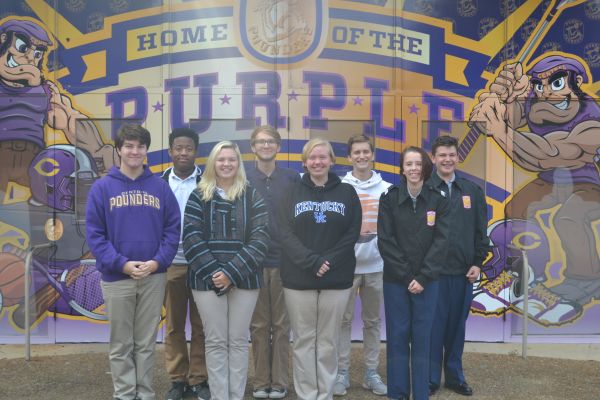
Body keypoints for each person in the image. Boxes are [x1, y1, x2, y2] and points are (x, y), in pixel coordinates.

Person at [86, 123, 180, 400]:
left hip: (153, 276)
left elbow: (172, 230)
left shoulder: (160, 188)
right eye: (128, 145)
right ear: (119, 149)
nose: (134, 151)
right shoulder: (102, 188)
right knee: (120, 344)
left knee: (145, 342)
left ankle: (145, 392)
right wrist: (122, 264)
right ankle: (126, 394)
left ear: (146, 151)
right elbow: (95, 235)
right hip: (117, 278)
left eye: (140, 146)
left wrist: (157, 262)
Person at [183, 140, 269, 400]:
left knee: (239, 341)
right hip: (206, 280)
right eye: (221, 159)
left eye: (232, 159)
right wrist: (215, 273)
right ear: (212, 163)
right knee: (216, 341)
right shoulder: (199, 195)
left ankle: (235, 395)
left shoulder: (251, 194)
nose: (226, 164)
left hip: (245, 278)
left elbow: (261, 237)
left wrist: (231, 272)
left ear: (238, 163)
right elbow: (191, 237)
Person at [279, 138, 362, 400]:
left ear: (331, 161)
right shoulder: (291, 192)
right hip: (298, 277)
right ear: (304, 162)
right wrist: (312, 261)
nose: (317, 162)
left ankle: (324, 393)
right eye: (312, 158)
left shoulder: (347, 192)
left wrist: (328, 261)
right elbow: (284, 232)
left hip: (336, 277)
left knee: (328, 340)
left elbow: (352, 233)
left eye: (323, 157)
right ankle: (307, 394)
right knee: (304, 340)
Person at [378, 146, 449, 400]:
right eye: (409, 164)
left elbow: (442, 243)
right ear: (402, 168)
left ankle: (420, 394)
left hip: (428, 282)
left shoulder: (438, 198)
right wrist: (409, 277)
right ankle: (397, 393)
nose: (414, 169)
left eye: (418, 163)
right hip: (397, 282)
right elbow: (385, 242)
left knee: (422, 338)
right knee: (397, 337)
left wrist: (422, 277)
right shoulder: (389, 197)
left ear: (425, 166)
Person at [427, 135, 489, 397]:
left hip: (463, 275)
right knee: (433, 329)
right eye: (442, 155)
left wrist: (477, 262)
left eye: (451, 154)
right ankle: (430, 379)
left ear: (457, 157)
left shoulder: (471, 191)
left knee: (456, 328)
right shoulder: (424, 190)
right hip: (433, 275)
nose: (447, 159)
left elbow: (480, 231)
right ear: (433, 158)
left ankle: (454, 376)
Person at [334, 134, 390, 397]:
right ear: (349, 157)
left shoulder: (387, 189)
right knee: (342, 322)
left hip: (377, 267)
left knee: (372, 322)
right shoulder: (340, 187)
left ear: (372, 155)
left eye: (366, 151)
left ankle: (371, 373)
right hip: (347, 267)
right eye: (356, 152)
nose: (361, 156)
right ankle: (341, 373)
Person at [246, 126, 299, 399]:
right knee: (258, 325)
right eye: (261, 141)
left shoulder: (291, 178)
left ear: (278, 146)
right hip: (252, 262)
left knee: (280, 325)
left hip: (282, 260)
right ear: (253, 147)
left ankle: (279, 382)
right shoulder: (243, 177)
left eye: (271, 141)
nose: (266, 145)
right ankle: (260, 381)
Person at [162, 128, 210, 400]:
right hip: (171, 263)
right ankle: (178, 379)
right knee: (174, 325)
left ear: (196, 151)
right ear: (171, 151)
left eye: (188, 148)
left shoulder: (207, 183)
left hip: (201, 263)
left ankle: (198, 378)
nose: (183, 152)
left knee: (202, 325)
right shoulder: (159, 183)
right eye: (178, 148)